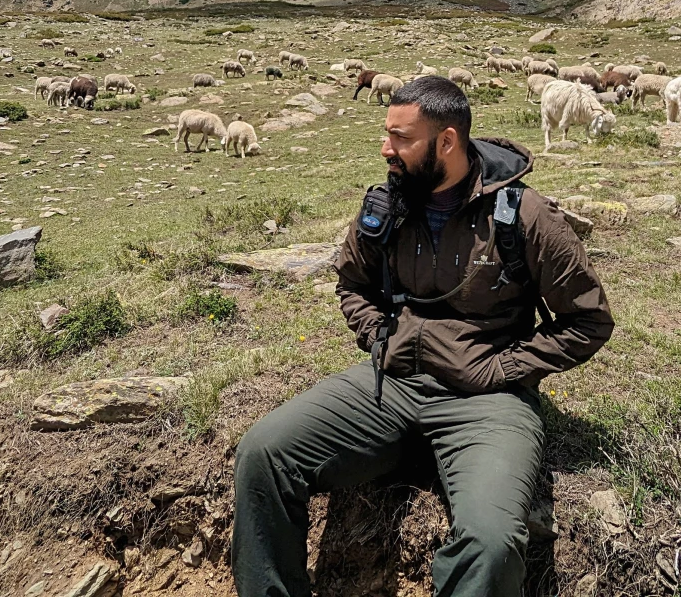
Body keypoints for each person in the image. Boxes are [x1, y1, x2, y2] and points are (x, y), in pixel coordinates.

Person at [231, 75, 614, 597]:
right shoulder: (386, 205)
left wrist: (503, 369)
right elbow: (352, 283)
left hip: (487, 403)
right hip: (390, 384)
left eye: (401, 138)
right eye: (386, 134)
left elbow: (588, 320)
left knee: (492, 540)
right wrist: (379, 337)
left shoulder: (525, 215)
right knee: (263, 454)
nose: (386, 149)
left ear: (447, 141)